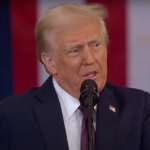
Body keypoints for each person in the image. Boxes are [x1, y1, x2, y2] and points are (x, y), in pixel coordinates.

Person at [0, 3, 150, 150]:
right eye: (75, 51)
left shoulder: (139, 108)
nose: (90, 59)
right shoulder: (10, 117)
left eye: (95, 45)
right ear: (50, 62)